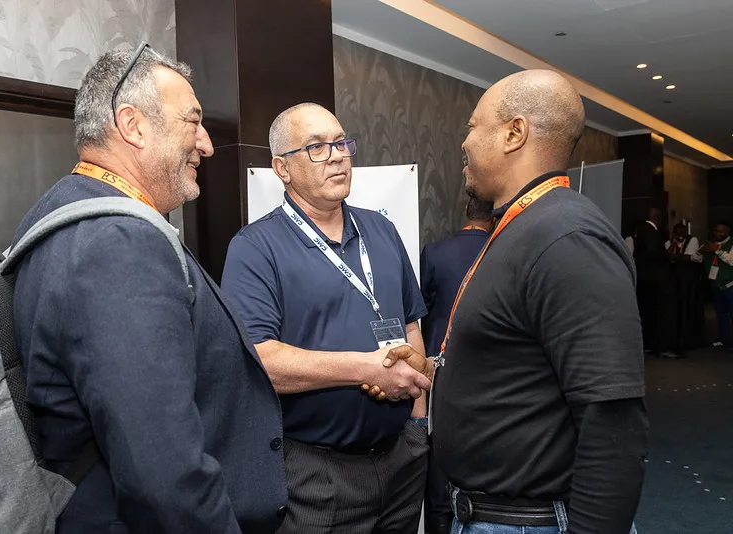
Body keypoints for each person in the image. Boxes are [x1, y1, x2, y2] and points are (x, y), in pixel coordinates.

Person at [12, 45, 287, 533]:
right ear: (132, 125)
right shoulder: (118, 243)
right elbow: (163, 475)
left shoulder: (64, 211)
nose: (206, 144)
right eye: (193, 122)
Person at [405, 69, 647, 534]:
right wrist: (434, 368)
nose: (465, 143)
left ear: (515, 133)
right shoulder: (523, 227)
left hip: (531, 523)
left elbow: (612, 417)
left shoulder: (567, 237)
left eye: (474, 127)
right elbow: (520, 359)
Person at [221, 102, 430, 534]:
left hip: (401, 460)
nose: (337, 155)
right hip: (316, 474)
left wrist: (417, 422)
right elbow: (260, 360)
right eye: (316, 147)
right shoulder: (255, 248)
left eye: (340, 142)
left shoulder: (382, 230)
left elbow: (410, 323)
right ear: (282, 168)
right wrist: (366, 369)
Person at [419, 195, 493, 534]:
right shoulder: (502, 252)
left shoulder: (435, 253)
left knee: (438, 459)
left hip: (439, 371)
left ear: (464, 211)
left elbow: (421, 310)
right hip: (488, 372)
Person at [635, 207, 671, 357]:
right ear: (658, 218)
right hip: (654, 277)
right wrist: (669, 256)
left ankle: (648, 344)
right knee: (657, 312)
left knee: (646, 312)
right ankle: (659, 346)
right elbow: (653, 252)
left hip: (644, 276)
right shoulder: (651, 231)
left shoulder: (641, 229)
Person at [662, 223, 703, 357]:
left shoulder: (692, 240)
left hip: (688, 280)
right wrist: (678, 254)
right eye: (678, 232)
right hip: (674, 280)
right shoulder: (669, 242)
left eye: (683, 232)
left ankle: (688, 340)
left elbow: (689, 257)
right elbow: (672, 256)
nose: (680, 235)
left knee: (687, 306)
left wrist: (676, 257)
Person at [693, 222, 733, 349]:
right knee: (721, 314)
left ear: (727, 232)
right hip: (716, 286)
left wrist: (717, 250)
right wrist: (700, 251)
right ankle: (722, 339)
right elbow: (695, 258)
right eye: (716, 231)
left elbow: (731, 260)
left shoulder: (731, 244)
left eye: (721, 231)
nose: (718, 233)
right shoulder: (709, 244)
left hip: (730, 285)